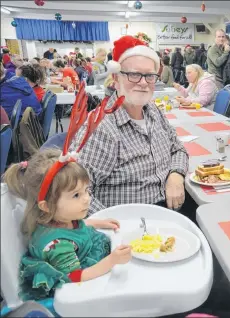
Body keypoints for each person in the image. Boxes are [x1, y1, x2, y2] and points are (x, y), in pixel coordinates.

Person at [70, 35, 189, 213]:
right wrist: (115, 227)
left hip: (169, 211)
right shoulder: (102, 128)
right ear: (116, 79)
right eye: (134, 74)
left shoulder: (153, 111)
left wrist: (176, 176)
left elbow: (178, 148)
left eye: (149, 76)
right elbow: (73, 193)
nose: (143, 83)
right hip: (131, 224)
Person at [3, 148, 132, 300]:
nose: (86, 199)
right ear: (46, 206)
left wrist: (98, 222)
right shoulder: (57, 245)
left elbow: (75, 227)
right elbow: (75, 277)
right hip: (73, 287)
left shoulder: (59, 218)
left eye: (86, 190)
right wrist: (112, 261)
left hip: (80, 258)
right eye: (76, 195)